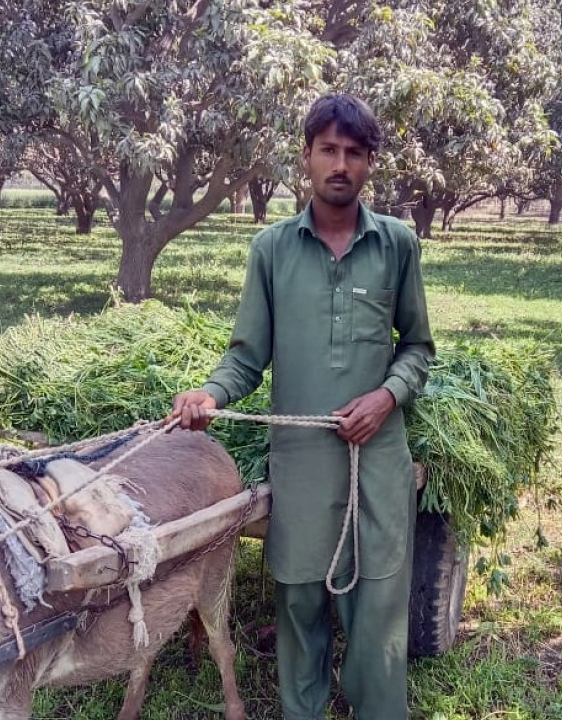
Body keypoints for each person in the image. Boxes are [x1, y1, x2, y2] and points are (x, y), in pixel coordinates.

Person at [170, 93, 434, 720]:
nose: (340, 164)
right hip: (303, 461)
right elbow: (246, 356)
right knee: (299, 603)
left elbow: (418, 349)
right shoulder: (272, 249)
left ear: (369, 163)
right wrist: (210, 393)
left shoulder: (397, 243)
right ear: (307, 158)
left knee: (376, 611)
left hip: (378, 460)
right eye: (328, 150)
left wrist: (385, 396)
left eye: (353, 152)